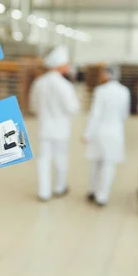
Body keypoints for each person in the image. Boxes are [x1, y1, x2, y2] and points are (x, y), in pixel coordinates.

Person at [30, 46, 80, 202]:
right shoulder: (64, 85)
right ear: (60, 66)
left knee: (43, 160)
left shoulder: (39, 83)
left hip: (44, 128)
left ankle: (43, 192)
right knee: (60, 158)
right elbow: (73, 108)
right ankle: (59, 187)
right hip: (61, 130)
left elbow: (33, 106)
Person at [83, 64, 131, 207]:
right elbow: (125, 115)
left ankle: (92, 191)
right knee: (109, 165)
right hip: (115, 132)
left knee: (95, 163)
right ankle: (102, 197)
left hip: (99, 132)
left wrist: (87, 133)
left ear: (108, 74)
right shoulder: (124, 91)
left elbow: (95, 114)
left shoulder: (100, 91)